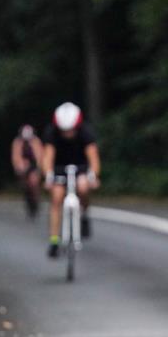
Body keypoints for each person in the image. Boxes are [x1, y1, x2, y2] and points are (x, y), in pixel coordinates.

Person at [42, 102, 100, 258]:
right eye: (64, 131)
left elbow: (93, 158)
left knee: (82, 187)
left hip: (80, 167)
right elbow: (48, 157)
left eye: (71, 130)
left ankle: (85, 213)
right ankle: (54, 240)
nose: (67, 134)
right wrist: (48, 175)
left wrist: (93, 175)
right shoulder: (52, 133)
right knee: (56, 198)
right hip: (59, 168)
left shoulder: (86, 132)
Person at [11, 124, 44, 219]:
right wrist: (19, 167)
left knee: (34, 183)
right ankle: (28, 200)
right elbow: (15, 156)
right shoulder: (17, 142)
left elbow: (39, 156)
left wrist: (39, 169)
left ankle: (36, 201)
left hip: (34, 165)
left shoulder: (36, 142)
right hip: (23, 166)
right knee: (25, 185)